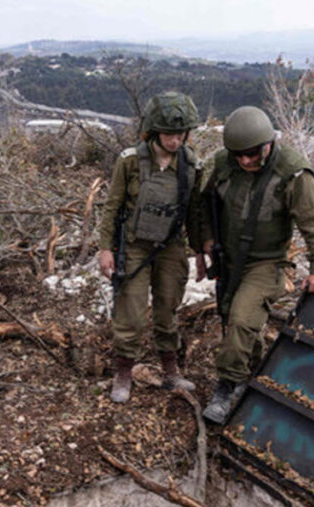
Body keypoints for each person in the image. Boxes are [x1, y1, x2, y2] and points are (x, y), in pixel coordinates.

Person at [196, 105, 314, 424]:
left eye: (253, 153)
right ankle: (258, 373)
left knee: (241, 321)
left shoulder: (292, 173)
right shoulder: (222, 164)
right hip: (228, 257)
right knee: (234, 317)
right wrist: (204, 242)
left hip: (267, 262)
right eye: (239, 154)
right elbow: (202, 203)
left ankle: (227, 387)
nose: (246, 161)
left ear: (268, 144)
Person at [97, 91, 204, 403]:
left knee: (168, 308)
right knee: (130, 314)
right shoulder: (131, 161)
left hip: (171, 246)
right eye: (169, 133)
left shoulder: (191, 165)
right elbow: (113, 206)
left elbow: (196, 214)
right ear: (155, 130)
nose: (175, 140)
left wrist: (200, 252)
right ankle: (123, 373)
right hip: (134, 246)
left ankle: (170, 370)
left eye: (181, 133)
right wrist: (105, 248)